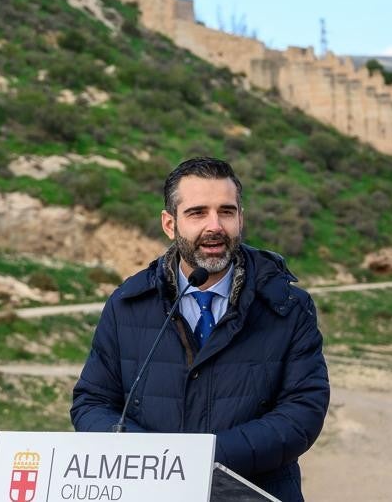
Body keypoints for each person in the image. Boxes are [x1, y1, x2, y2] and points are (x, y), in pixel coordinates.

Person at [71, 157, 329, 501]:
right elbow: (92, 402)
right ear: (169, 223)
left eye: (226, 211)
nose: (215, 226)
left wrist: (204, 458)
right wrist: (147, 458)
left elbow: (302, 413)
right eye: (197, 213)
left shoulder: (287, 306)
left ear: (241, 218)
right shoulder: (126, 304)